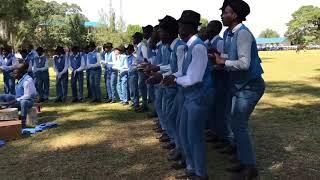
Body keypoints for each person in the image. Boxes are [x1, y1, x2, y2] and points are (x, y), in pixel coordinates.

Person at [213, 0, 265, 178]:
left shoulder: (243, 34)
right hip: (240, 86)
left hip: (250, 86)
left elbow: (244, 63)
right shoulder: (229, 33)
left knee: (238, 124)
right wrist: (219, 58)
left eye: (225, 12)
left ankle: (250, 167)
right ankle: (242, 160)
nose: (222, 15)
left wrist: (223, 62)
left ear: (234, 15)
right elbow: (232, 56)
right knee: (234, 123)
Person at [164, 10, 210, 179]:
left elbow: (194, 78)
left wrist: (174, 81)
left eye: (181, 25)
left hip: (197, 97)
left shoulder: (197, 47)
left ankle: (200, 173)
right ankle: (191, 167)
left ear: (189, 28)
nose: (178, 29)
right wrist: (169, 76)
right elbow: (183, 72)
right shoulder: (190, 46)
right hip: (189, 96)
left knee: (194, 136)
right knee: (184, 133)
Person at [0, 63, 37, 128]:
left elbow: (27, 96)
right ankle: (3, 114)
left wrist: (13, 101)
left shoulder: (27, 81)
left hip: (28, 101)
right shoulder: (19, 78)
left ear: (20, 73)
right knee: (3, 96)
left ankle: (23, 121)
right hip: (18, 99)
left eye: (15, 73)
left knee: (23, 102)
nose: (13, 75)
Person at [132, 32, 149, 112]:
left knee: (143, 87)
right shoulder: (138, 47)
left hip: (143, 70)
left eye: (134, 38)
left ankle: (145, 106)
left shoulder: (142, 46)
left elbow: (146, 59)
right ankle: (143, 105)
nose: (133, 40)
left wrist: (139, 63)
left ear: (138, 39)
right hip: (140, 69)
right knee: (141, 88)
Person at [127, 44, 140, 111]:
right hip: (129, 75)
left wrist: (130, 68)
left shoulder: (134, 58)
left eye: (129, 50)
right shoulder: (127, 57)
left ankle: (136, 103)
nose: (128, 51)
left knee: (134, 90)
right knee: (130, 89)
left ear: (132, 50)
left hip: (133, 75)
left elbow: (135, 67)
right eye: (127, 50)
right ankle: (132, 102)